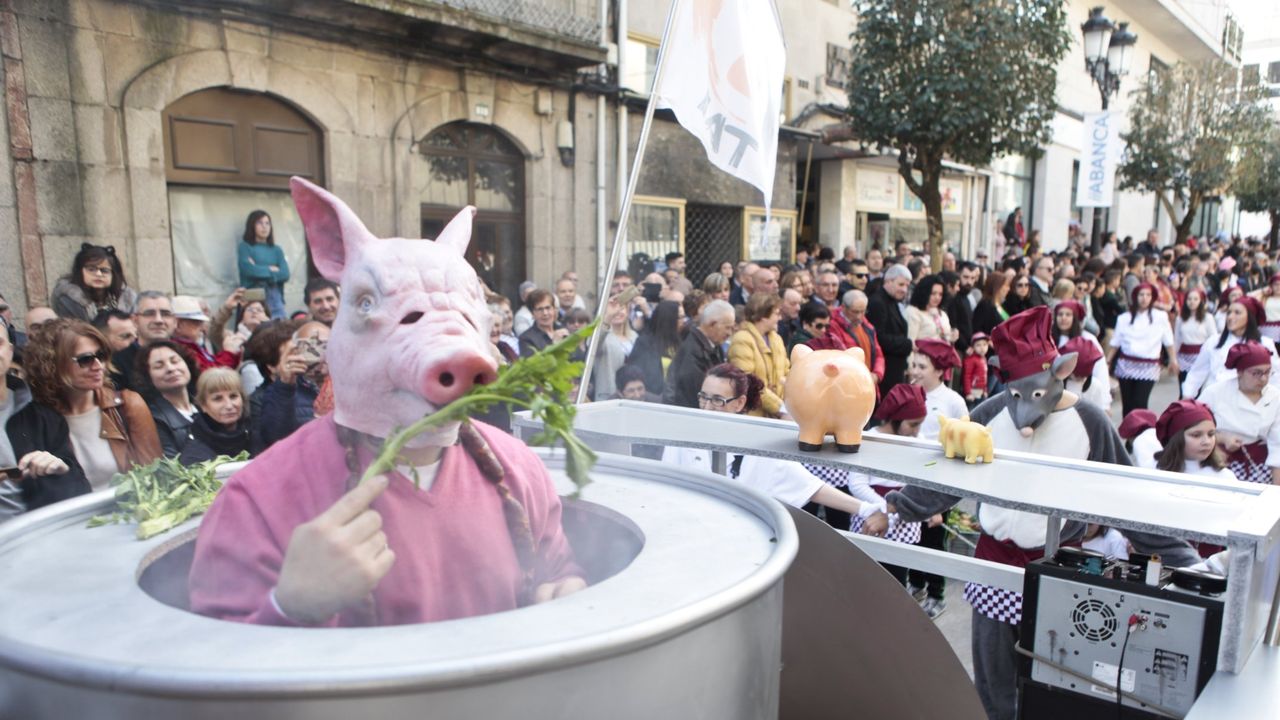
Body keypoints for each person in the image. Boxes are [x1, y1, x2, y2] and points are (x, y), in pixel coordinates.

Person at [662, 363, 889, 531]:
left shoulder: (759, 447)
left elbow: (810, 487)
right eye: (703, 398)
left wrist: (865, 509)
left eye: (717, 400)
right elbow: (665, 488)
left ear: (739, 403)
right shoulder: (682, 438)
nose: (707, 408)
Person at [22, 319, 161, 490]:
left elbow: (154, 478)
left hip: (131, 511)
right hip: (73, 513)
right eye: (85, 359)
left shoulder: (127, 404)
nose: (98, 366)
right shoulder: (38, 419)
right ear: (53, 364)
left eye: (101, 356)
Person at [0, 316, 90, 518]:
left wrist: (59, 470)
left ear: (10, 350)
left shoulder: (42, 417)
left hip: (43, 536)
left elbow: (79, 491)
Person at [845, 383, 927, 587]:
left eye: (919, 425)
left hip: (903, 518)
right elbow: (856, 483)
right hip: (871, 512)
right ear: (896, 419)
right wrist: (884, 508)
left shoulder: (918, 442)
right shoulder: (870, 440)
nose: (917, 432)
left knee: (897, 581)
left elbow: (920, 480)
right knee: (867, 579)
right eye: (913, 424)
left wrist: (898, 510)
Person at [1197, 342, 1280, 484]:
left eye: (1267, 372)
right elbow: (1192, 428)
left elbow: (1277, 445)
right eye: (1256, 373)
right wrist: (1221, 438)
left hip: (1259, 466)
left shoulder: (1275, 396)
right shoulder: (1215, 393)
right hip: (1218, 461)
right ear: (1239, 372)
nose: (1263, 379)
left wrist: (1276, 490)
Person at [253, 321, 328, 453]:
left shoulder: (351, 383)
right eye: (308, 348)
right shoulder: (277, 394)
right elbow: (276, 439)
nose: (319, 355)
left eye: (325, 346)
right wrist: (285, 385)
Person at [1183, 296, 1279, 398]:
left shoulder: (1264, 344)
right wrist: (1187, 397)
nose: (1230, 317)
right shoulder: (1214, 342)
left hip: (1249, 404)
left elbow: (1276, 378)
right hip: (1214, 402)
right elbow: (1197, 372)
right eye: (1229, 312)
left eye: (1237, 313)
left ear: (1250, 317)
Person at [1107, 283, 1177, 416]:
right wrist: (1108, 361)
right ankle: (1129, 434)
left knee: (1140, 402)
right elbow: (1116, 341)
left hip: (1148, 366)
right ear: (1135, 297)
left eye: (1148, 295)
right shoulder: (1124, 318)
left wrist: (1173, 360)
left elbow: (1168, 340)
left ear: (1152, 297)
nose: (1144, 298)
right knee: (1128, 404)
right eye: (1141, 295)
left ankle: (1140, 433)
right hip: (1126, 365)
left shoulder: (1160, 317)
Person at [727, 292, 789, 419]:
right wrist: (780, 409)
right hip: (753, 416)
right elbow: (748, 381)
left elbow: (787, 373)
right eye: (776, 314)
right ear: (763, 316)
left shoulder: (777, 339)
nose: (780, 318)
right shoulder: (742, 340)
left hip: (778, 415)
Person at [663, 299, 734, 408]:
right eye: (727, 327)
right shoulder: (693, 352)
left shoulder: (714, 346)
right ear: (712, 324)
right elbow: (696, 396)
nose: (729, 333)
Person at [134, 340, 199, 457]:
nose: (170, 368)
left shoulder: (205, 406)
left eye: (175, 361)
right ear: (148, 377)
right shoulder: (152, 420)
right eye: (159, 366)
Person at [179, 368, 253, 465]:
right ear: (203, 405)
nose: (229, 405)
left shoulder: (256, 434)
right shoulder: (195, 455)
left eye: (233, 396)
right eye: (218, 399)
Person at [49, 244, 138, 322]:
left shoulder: (127, 300)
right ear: (80, 272)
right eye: (91, 269)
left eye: (104, 271)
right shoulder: (69, 300)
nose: (98, 274)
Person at [1151, 400, 1235, 481]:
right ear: (1176, 438)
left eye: (1211, 434)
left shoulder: (1224, 477)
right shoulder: (1152, 470)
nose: (1207, 442)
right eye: (1196, 435)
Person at [1053, 300, 1111, 411]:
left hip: (1083, 390)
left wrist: (1105, 403)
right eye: (1060, 314)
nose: (1063, 318)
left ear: (1075, 317)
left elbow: (1100, 370)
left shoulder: (1087, 339)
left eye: (1068, 314)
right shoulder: (1050, 340)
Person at [866, 264, 912, 396]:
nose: (904, 289)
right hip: (885, 372)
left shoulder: (892, 301)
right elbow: (878, 338)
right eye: (901, 284)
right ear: (888, 281)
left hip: (894, 369)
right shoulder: (878, 303)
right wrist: (908, 344)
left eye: (907, 286)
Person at [237, 210, 290, 319]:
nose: (264, 227)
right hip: (252, 296)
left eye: (267, 223)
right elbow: (248, 270)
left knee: (279, 330)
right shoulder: (245, 247)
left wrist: (259, 270)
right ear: (252, 225)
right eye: (260, 223)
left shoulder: (276, 250)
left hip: (274, 298)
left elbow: (285, 274)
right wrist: (272, 270)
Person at [170, 295, 242, 373]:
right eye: (196, 322)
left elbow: (211, 363)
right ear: (177, 324)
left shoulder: (190, 345)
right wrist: (229, 352)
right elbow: (209, 375)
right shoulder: (181, 349)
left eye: (201, 322)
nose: (201, 326)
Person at [628, 300, 682, 396]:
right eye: (680, 317)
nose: (684, 321)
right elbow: (638, 374)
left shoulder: (681, 342)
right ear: (670, 319)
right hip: (653, 399)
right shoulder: (644, 343)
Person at [591, 298, 637, 400]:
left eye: (621, 308)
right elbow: (593, 344)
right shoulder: (603, 337)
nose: (617, 312)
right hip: (608, 395)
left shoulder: (634, 336)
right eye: (613, 309)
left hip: (634, 396)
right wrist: (607, 318)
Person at [1174, 288, 1217, 389]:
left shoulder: (1208, 318)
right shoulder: (1180, 318)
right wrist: (1174, 359)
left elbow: (1213, 339)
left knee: (1199, 390)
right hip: (1184, 358)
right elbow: (1177, 339)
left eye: (1195, 299)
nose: (1192, 302)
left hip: (1201, 357)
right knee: (1184, 388)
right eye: (1189, 299)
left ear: (1201, 301)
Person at [518, 289, 568, 358]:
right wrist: (554, 345)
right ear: (532, 313)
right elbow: (534, 366)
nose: (545, 313)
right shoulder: (526, 339)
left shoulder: (563, 329)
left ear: (554, 309)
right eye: (540, 309)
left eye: (548, 308)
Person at [905, 274, 954, 343]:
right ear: (924, 292)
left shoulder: (942, 314)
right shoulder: (913, 312)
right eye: (933, 293)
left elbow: (947, 339)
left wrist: (952, 336)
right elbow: (910, 341)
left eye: (940, 294)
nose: (937, 297)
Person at [973, 272, 1011, 337]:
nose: (1008, 289)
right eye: (1006, 285)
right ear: (997, 286)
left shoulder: (999, 305)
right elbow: (977, 329)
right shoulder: (985, 305)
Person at [962, 333, 990, 406]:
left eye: (985, 344)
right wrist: (968, 393)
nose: (982, 348)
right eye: (978, 345)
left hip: (981, 392)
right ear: (973, 347)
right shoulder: (971, 360)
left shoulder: (984, 359)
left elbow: (984, 377)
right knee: (971, 414)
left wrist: (985, 390)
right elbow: (967, 376)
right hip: (972, 392)